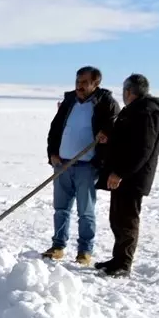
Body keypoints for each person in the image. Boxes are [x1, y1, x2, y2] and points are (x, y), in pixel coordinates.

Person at [42, 66, 119, 266]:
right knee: (61, 208)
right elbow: (55, 128)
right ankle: (58, 246)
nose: (80, 86)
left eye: (85, 82)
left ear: (96, 84)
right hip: (62, 164)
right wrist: (52, 153)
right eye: (78, 82)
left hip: (87, 166)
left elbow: (116, 126)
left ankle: (85, 251)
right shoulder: (69, 102)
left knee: (85, 211)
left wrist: (106, 135)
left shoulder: (105, 104)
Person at [96, 74, 159, 278]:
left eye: (124, 91)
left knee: (127, 220)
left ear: (129, 91)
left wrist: (120, 173)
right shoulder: (135, 110)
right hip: (124, 176)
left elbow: (142, 149)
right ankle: (117, 259)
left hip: (131, 177)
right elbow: (126, 139)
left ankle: (123, 264)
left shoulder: (146, 112)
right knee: (117, 219)